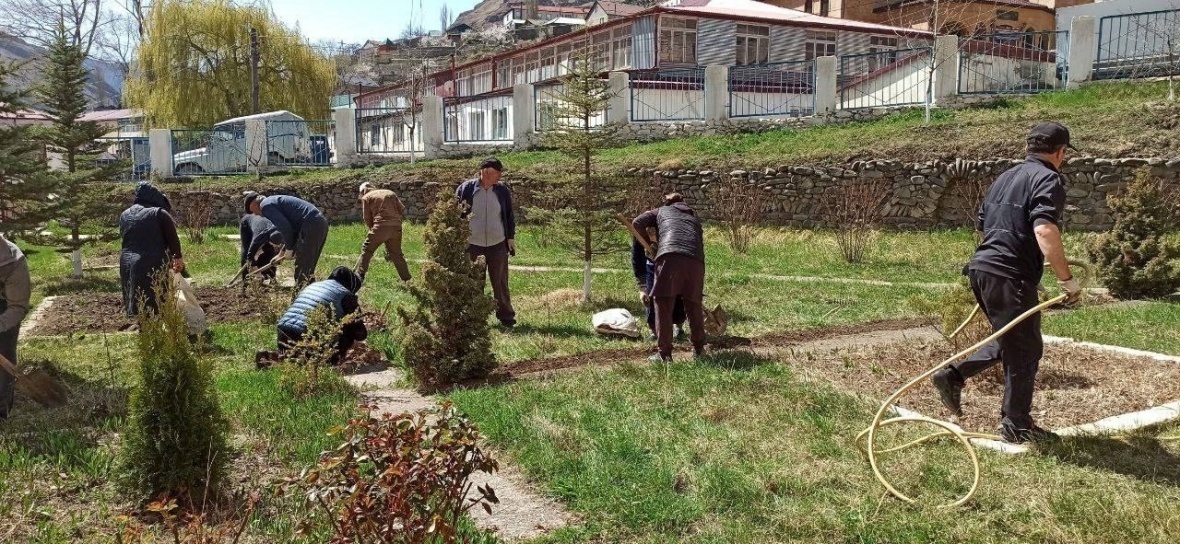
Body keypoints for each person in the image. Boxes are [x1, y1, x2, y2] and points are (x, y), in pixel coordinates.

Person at [931, 122, 1083, 444]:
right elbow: (1044, 230)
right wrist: (1066, 280)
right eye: (1065, 154)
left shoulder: (1004, 178)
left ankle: (954, 375)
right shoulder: (1048, 178)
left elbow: (986, 225)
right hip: (1007, 275)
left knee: (1015, 340)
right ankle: (1016, 426)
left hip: (982, 269)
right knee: (1025, 349)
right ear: (1060, 152)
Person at [632, 193, 707, 362]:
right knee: (693, 303)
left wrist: (650, 245)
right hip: (696, 261)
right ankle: (699, 350)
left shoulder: (661, 211)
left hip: (669, 257)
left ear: (667, 203)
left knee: (663, 303)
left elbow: (637, 222)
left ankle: (664, 354)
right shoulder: (694, 219)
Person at [456, 157, 517, 328]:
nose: (499, 177)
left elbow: (509, 215)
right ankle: (474, 317)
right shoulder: (466, 189)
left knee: (500, 282)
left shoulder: (502, 190)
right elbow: (456, 215)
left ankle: (506, 317)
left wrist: (510, 238)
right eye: (497, 173)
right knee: (475, 281)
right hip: (473, 244)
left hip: (498, 243)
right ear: (485, 172)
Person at [275, 266, 368, 365]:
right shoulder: (346, 295)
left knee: (294, 358)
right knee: (348, 328)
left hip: (283, 334)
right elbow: (360, 333)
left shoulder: (314, 285)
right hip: (308, 337)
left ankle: (283, 357)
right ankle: (331, 361)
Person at [119, 182, 184, 316]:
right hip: (152, 262)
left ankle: (144, 328)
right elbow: (172, 238)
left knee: (137, 297)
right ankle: (159, 327)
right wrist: (177, 257)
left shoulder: (124, 214)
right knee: (156, 296)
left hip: (127, 262)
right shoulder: (159, 213)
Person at [244, 192, 328, 286]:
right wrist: (281, 253)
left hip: (310, 225)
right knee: (307, 267)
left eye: (253, 211)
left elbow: (285, 229)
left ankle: (300, 296)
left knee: (303, 267)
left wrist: (289, 249)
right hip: (318, 223)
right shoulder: (273, 201)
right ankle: (311, 295)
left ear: (254, 203)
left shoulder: (265, 205)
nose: (256, 214)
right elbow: (292, 230)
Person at [631, 234, 686, 341]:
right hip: (652, 264)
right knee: (651, 296)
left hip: (676, 260)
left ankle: (679, 327)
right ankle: (654, 331)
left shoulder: (674, 223)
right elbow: (637, 257)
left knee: (679, 294)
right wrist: (642, 287)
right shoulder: (641, 228)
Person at [356, 182, 412, 282]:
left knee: (367, 251)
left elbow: (367, 217)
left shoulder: (366, 197)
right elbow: (401, 209)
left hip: (380, 227)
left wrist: (372, 230)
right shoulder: (390, 192)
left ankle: (359, 277)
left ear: (363, 191)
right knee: (397, 254)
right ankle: (407, 279)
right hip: (396, 227)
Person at [0, 235, 30, 419]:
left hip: (6, 306)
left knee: (4, 349)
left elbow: (17, 307)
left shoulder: (14, 262)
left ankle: (2, 409)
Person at [239, 212, 283, 282]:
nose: (277, 247)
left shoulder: (283, 230)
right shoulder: (259, 236)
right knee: (246, 252)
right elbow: (250, 254)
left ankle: (271, 278)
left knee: (270, 252)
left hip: (267, 229)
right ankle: (246, 281)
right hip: (247, 225)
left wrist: (280, 254)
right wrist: (254, 267)